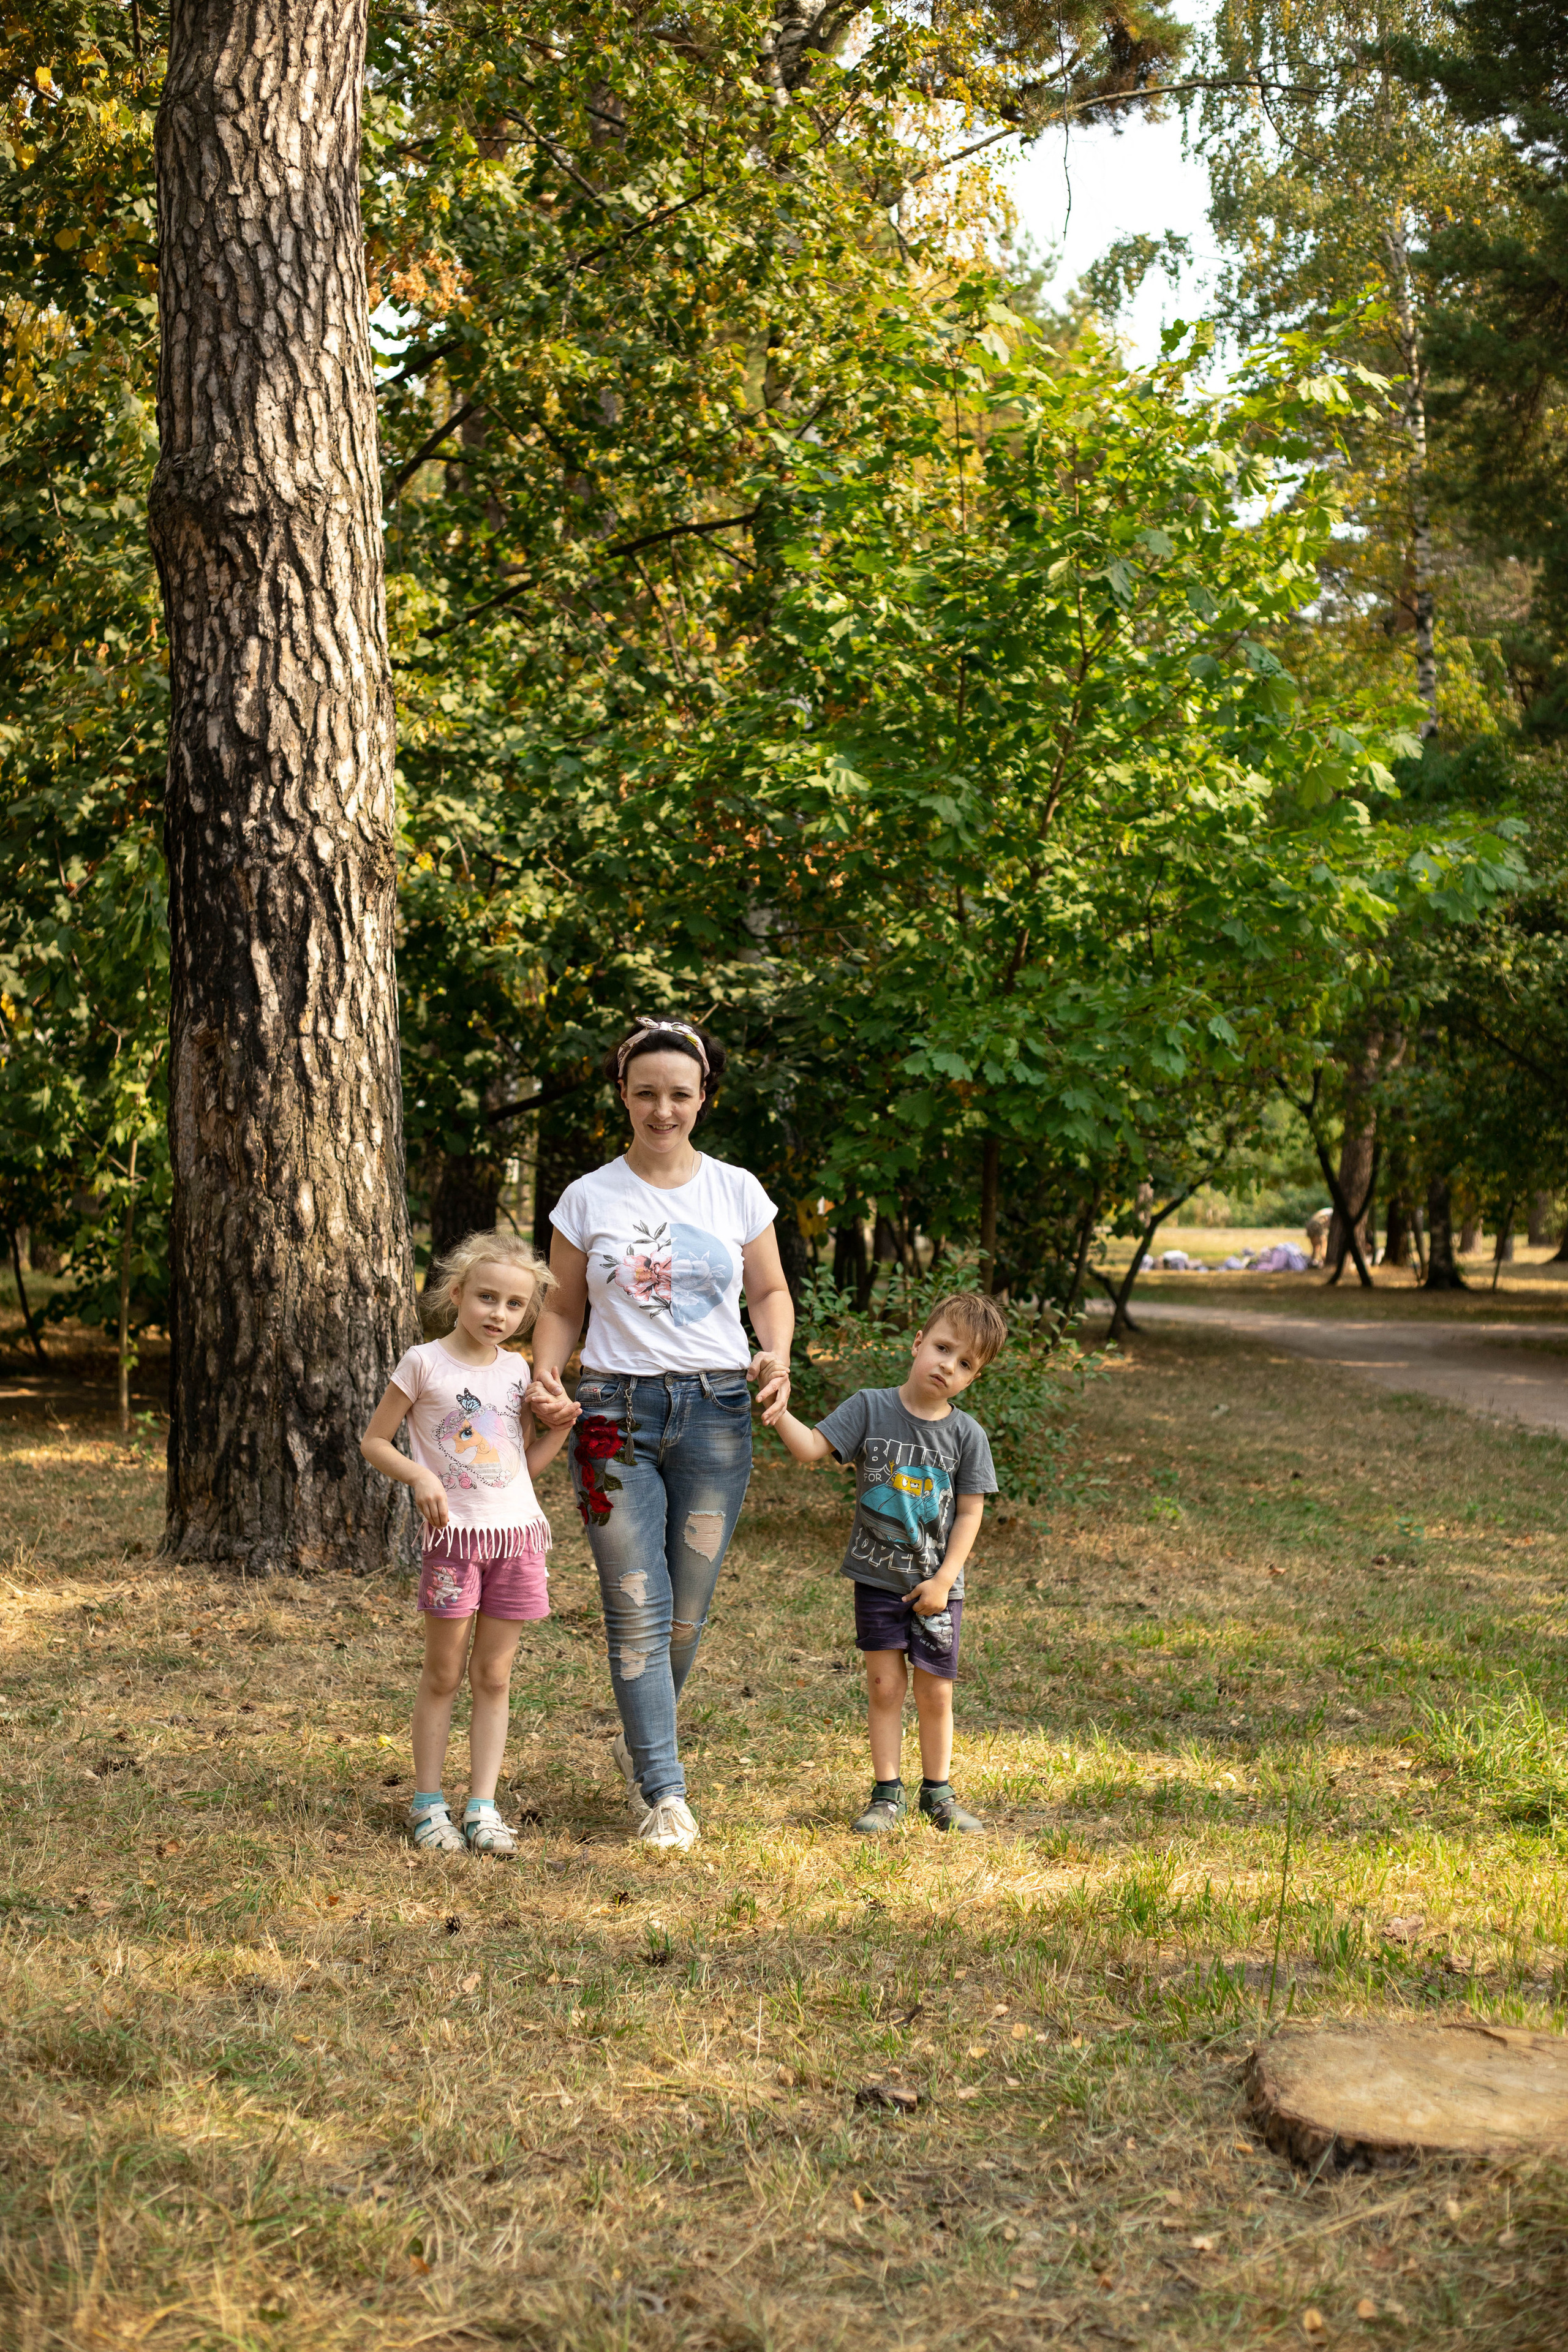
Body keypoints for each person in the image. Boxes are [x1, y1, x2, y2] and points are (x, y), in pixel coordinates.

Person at [527, 1016, 794, 1852]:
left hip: (717, 1414)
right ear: (624, 1096)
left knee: (687, 1614)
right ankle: (665, 1794)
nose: (663, 1109)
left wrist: (777, 1353)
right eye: (646, 1093)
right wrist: (545, 1372)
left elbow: (770, 1291)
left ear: (704, 1097)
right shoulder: (588, 1197)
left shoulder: (737, 1191)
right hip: (613, 1420)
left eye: (680, 1093)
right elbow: (564, 1305)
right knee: (636, 1608)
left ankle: (643, 1739)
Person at [361, 1231, 571, 1858]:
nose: (498, 1315)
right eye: (486, 1298)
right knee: (445, 1672)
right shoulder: (423, 1363)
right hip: (454, 1544)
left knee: (494, 1674)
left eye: (514, 1306)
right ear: (456, 1294)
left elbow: (520, 1466)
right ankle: (429, 1804)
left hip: (518, 1540)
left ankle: (482, 1805)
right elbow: (375, 1441)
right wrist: (420, 1475)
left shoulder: (517, 1371)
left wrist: (560, 1428)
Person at [772, 1292, 1005, 1834]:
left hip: (940, 1589)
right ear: (919, 1342)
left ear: (974, 1378)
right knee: (884, 1687)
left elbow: (970, 1513)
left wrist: (945, 1580)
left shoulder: (967, 1436)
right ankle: (886, 1794)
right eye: (944, 1348)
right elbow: (810, 1448)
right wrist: (780, 1411)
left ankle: (939, 1794)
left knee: (936, 1688)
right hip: (878, 1580)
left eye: (966, 1362)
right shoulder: (870, 1408)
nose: (949, 1365)